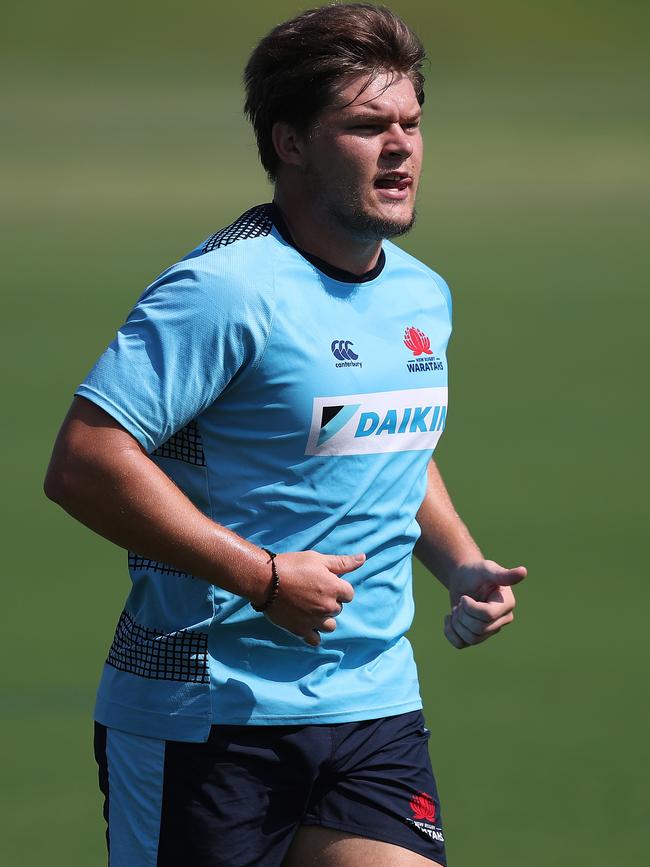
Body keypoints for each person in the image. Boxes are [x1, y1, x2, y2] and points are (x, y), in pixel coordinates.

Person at [45, 4, 526, 865]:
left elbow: (388, 441)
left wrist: (460, 562)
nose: (402, 147)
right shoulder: (224, 290)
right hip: (209, 720)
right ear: (291, 141)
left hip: (373, 711)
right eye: (366, 125)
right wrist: (262, 578)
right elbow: (85, 460)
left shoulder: (422, 294)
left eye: (412, 123)